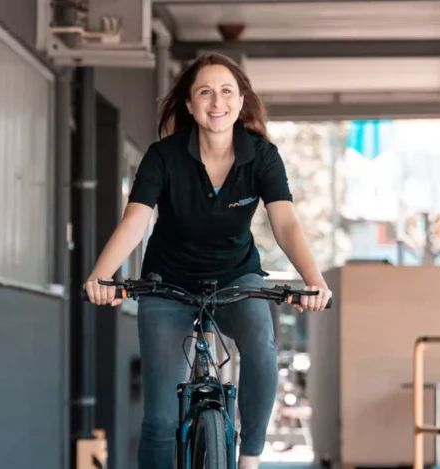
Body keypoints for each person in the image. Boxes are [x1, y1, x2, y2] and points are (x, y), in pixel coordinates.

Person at [83, 52, 333, 469]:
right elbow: (135, 222)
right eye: (205, 92)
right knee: (160, 420)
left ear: (240, 101)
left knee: (261, 346)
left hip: (237, 278)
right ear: (189, 104)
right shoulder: (163, 157)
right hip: (168, 283)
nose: (216, 101)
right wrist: (101, 275)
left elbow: (286, 224)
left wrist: (314, 280)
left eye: (226, 91)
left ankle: (250, 456)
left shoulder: (262, 156)